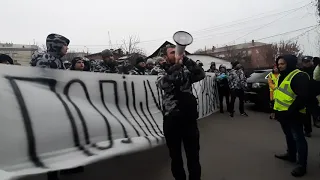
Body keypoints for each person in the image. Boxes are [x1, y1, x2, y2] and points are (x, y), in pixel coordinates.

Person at [156, 45, 204, 180]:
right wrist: (176, 66)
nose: (176, 54)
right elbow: (163, 84)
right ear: (166, 57)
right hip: (172, 120)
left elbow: (201, 74)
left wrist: (186, 60)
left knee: (193, 156)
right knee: (176, 157)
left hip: (188, 119)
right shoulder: (160, 70)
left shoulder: (186, 71)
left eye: (177, 51)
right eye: (172, 52)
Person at [273, 54, 309, 177]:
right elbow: (279, 93)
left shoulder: (299, 76)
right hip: (282, 114)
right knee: (288, 135)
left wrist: (290, 111)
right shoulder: (281, 76)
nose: (280, 66)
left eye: (283, 63)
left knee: (298, 138)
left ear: (290, 63)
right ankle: (291, 155)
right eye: (279, 64)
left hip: (295, 114)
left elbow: (303, 97)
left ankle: (302, 165)